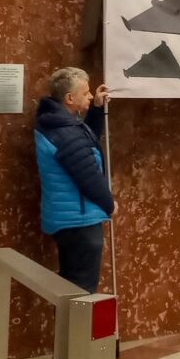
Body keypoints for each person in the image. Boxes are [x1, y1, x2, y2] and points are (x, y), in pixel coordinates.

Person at [34, 67, 115, 293]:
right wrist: (109, 204)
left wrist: (96, 109)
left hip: (70, 218)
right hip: (79, 222)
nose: (90, 96)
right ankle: (74, 330)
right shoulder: (65, 133)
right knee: (80, 291)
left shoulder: (59, 124)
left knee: (72, 287)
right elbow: (88, 177)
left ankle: (69, 329)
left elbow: (85, 141)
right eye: (86, 93)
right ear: (70, 98)